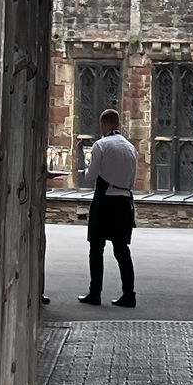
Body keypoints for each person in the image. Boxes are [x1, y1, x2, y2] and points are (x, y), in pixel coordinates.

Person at [79, 107, 137, 307]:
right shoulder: (130, 147)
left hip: (104, 200)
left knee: (96, 248)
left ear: (104, 124)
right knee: (122, 250)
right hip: (123, 201)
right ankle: (129, 294)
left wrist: (87, 169)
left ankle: (95, 293)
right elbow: (133, 178)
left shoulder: (100, 145)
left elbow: (91, 176)